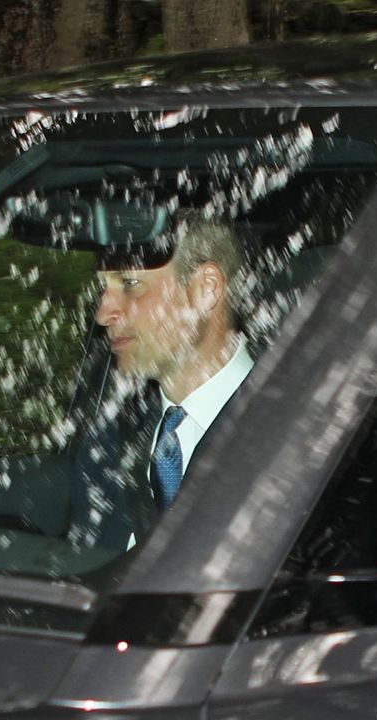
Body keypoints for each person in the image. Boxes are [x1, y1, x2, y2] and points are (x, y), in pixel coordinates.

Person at [69, 211, 253, 550]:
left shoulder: (292, 437)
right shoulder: (107, 445)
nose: (103, 313)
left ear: (206, 289)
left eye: (129, 284)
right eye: (103, 289)